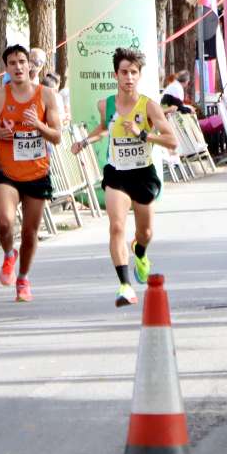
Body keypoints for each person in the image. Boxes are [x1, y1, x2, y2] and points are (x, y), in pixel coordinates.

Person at [72, 48, 178, 308]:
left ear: (139, 75)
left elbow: (171, 140)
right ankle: (125, 285)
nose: (128, 77)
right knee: (116, 226)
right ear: (115, 75)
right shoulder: (106, 104)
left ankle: (140, 252)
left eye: (133, 72)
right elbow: (105, 127)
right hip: (117, 173)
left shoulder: (149, 106)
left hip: (143, 173)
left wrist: (143, 134)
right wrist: (85, 141)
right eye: (124, 72)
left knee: (146, 232)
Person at [0, 44, 62, 303]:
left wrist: (38, 125)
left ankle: (23, 278)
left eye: (22, 62)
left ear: (30, 66)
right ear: (6, 67)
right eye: (12, 62)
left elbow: (57, 136)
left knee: (29, 232)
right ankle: (7, 255)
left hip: (37, 172)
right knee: (3, 221)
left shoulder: (47, 95)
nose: (18, 67)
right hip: (7, 171)